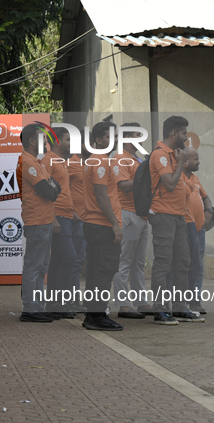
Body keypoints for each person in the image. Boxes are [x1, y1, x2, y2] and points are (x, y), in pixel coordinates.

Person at [148, 117, 204, 325]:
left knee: (183, 262)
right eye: (183, 134)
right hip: (163, 215)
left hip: (179, 216)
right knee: (163, 263)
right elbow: (170, 185)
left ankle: (180, 308)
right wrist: (181, 163)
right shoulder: (160, 155)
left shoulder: (174, 155)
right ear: (173, 134)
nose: (186, 138)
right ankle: (161, 310)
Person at [81, 122, 123, 331]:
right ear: (98, 140)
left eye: (115, 137)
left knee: (97, 271)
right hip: (102, 225)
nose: (114, 141)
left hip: (96, 224)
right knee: (103, 272)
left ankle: (94, 315)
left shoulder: (95, 160)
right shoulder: (100, 161)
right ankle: (96, 316)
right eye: (109, 137)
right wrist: (115, 224)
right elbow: (101, 195)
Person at [18, 124, 60, 323]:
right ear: (33, 141)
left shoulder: (38, 162)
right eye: (42, 138)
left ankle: (37, 306)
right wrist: (52, 187)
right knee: (34, 265)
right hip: (36, 220)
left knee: (41, 265)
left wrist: (52, 187)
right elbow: (50, 191)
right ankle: (29, 308)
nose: (46, 142)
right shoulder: (28, 162)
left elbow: (55, 186)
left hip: (45, 219)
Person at [112, 123, 153, 319]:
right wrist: (145, 179)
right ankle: (124, 305)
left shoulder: (136, 159)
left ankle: (142, 302)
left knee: (138, 262)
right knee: (124, 261)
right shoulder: (120, 158)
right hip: (127, 213)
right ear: (126, 137)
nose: (141, 139)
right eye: (138, 135)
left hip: (141, 214)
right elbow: (123, 186)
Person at [41, 127, 76, 318]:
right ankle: (61, 305)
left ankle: (53, 305)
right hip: (58, 217)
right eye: (68, 139)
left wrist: (74, 211)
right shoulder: (48, 160)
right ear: (58, 141)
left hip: (67, 217)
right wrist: (53, 218)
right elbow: (44, 191)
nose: (71, 143)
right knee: (69, 258)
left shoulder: (61, 161)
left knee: (58, 261)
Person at [182, 147, 214, 314]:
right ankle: (182, 302)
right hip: (185, 228)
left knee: (199, 265)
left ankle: (195, 301)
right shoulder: (177, 177)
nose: (199, 161)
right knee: (187, 264)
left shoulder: (195, 178)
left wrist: (208, 211)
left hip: (199, 228)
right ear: (185, 161)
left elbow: (205, 197)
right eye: (196, 159)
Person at [66, 130, 91, 313]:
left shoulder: (91, 163)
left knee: (85, 261)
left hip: (92, 220)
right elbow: (62, 188)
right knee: (75, 261)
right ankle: (72, 301)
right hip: (77, 220)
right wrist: (72, 211)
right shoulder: (71, 163)